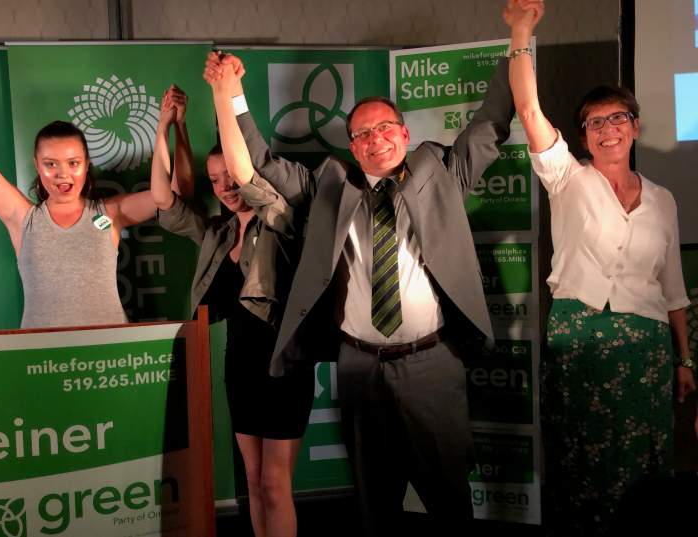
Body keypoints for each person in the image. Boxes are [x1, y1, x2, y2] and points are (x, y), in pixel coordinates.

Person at [204, 43, 514, 536]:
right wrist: (231, 94)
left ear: (405, 134)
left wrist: (518, 38)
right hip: (359, 367)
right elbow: (259, 163)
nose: (375, 139)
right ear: (352, 147)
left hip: (431, 363)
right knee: (375, 499)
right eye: (363, 134)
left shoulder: (443, 172)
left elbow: (492, 120)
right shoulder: (328, 186)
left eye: (385, 128)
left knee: (447, 496)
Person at [503, 1, 697, 535]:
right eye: (595, 122)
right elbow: (528, 110)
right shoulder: (567, 177)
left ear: (635, 126)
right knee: (579, 460)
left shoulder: (663, 199)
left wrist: (684, 359)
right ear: (583, 134)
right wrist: (521, 30)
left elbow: (673, 289)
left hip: (645, 347)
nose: (607, 129)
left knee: (642, 462)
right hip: (579, 338)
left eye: (618, 118)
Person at [151, 79, 313, 537]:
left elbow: (250, 180)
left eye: (231, 176)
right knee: (254, 484)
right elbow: (163, 201)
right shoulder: (217, 235)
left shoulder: (281, 219)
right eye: (215, 180)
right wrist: (164, 125)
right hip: (239, 366)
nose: (225, 187)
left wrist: (224, 95)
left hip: (284, 367)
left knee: (276, 486)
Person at [0, 117, 163, 328]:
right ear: (37, 165)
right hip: (40, 348)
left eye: (73, 163)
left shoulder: (110, 214)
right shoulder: (23, 219)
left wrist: (167, 126)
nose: (62, 174)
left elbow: (171, 194)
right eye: (50, 164)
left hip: (111, 346)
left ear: (86, 164)